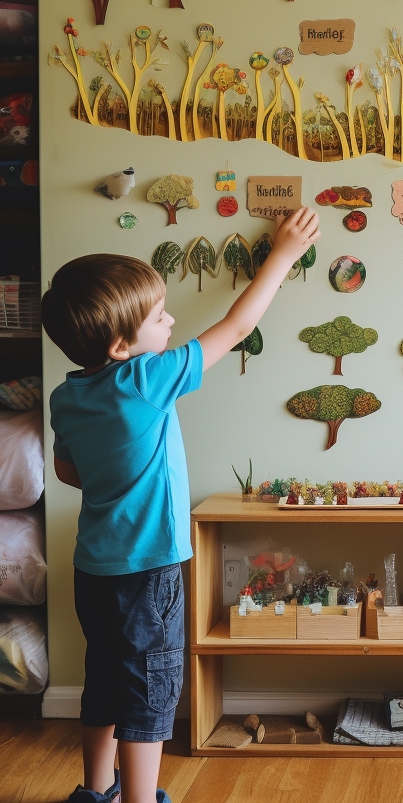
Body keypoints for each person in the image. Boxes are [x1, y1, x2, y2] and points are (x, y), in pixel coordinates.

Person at [41, 207, 320, 803]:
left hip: (92, 568)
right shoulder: (145, 378)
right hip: (149, 570)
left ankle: (96, 791)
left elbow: (69, 471)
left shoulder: (66, 397)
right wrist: (285, 254)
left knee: (103, 681)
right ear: (122, 345)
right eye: (159, 316)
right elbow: (238, 327)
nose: (171, 322)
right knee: (149, 689)